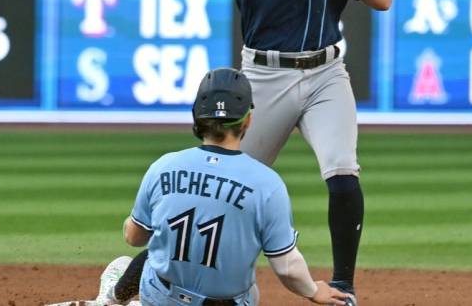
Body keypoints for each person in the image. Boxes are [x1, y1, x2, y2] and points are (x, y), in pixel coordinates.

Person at [85, 0, 393, 304]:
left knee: (343, 170)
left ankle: (343, 288)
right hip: (266, 77)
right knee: (213, 187)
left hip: (327, 74)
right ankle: (122, 289)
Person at [96, 68, 348, 306]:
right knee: (250, 289)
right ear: (248, 120)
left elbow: (133, 237)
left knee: (153, 252)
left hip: (161, 297)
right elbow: (287, 267)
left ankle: (114, 298)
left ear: (196, 115)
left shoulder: (164, 166)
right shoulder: (267, 184)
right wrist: (315, 291)